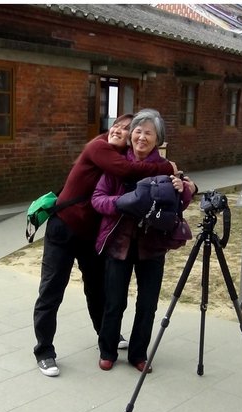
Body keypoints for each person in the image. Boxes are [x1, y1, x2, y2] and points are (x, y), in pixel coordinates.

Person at [33, 113, 179, 377]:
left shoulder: (124, 154)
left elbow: (159, 178)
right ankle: (44, 351)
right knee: (52, 290)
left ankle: (106, 336)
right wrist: (168, 167)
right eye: (117, 126)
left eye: (125, 129)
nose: (118, 131)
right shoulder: (99, 146)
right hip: (64, 228)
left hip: (91, 236)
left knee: (97, 289)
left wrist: (185, 182)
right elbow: (127, 171)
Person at [91, 109, 197, 372]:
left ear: (157, 139)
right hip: (119, 243)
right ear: (131, 136)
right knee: (114, 300)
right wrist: (123, 202)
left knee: (147, 303)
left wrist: (183, 191)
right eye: (137, 131)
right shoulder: (117, 166)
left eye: (148, 133)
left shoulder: (166, 168)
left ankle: (138, 354)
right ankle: (107, 350)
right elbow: (97, 199)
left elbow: (179, 204)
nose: (141, 137)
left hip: (152, 246)